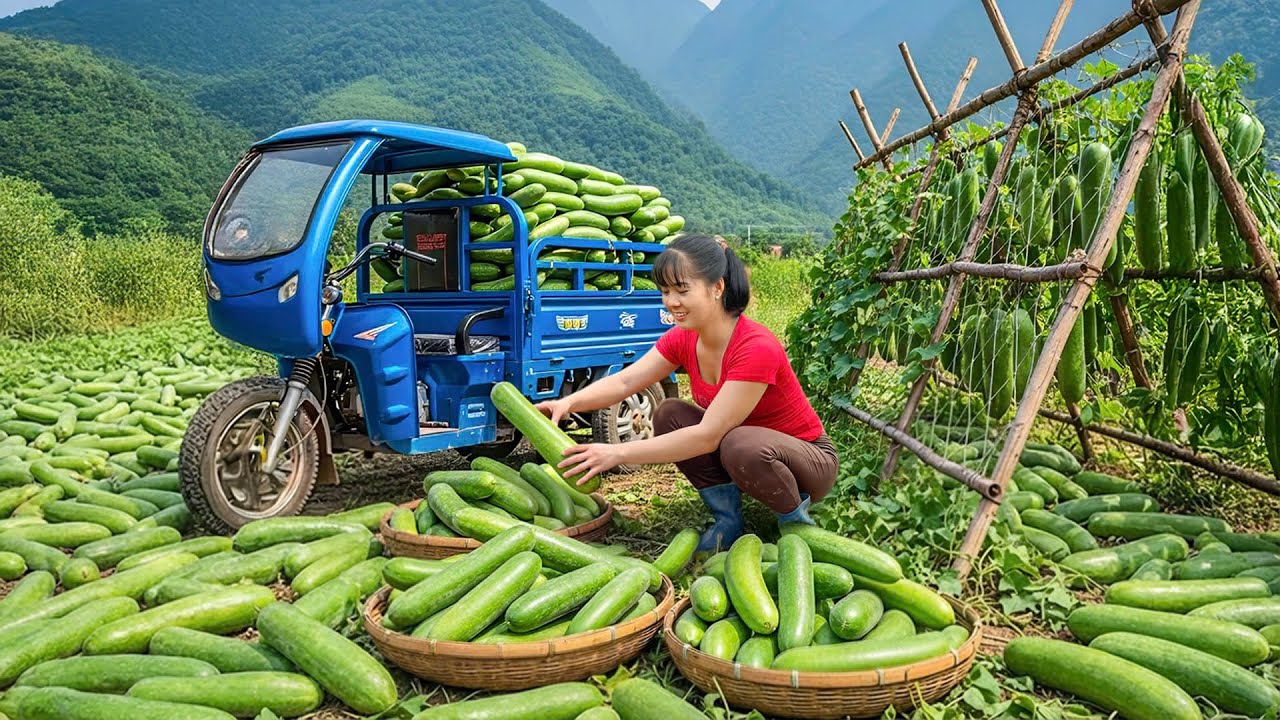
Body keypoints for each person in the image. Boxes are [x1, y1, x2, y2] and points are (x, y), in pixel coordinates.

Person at [535, 234, 839, 553]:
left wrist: (617, 453)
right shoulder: (683, 338)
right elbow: (625, 382)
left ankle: (796, 526)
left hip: (807, 461)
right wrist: (568, 402)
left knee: (739, 443)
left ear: (717, 287)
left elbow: (709, 436)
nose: (671, 302)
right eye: (665, 291)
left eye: (682, 290)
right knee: (670, 413)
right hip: (746, 450)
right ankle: (727, 519)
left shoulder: (755, 346)